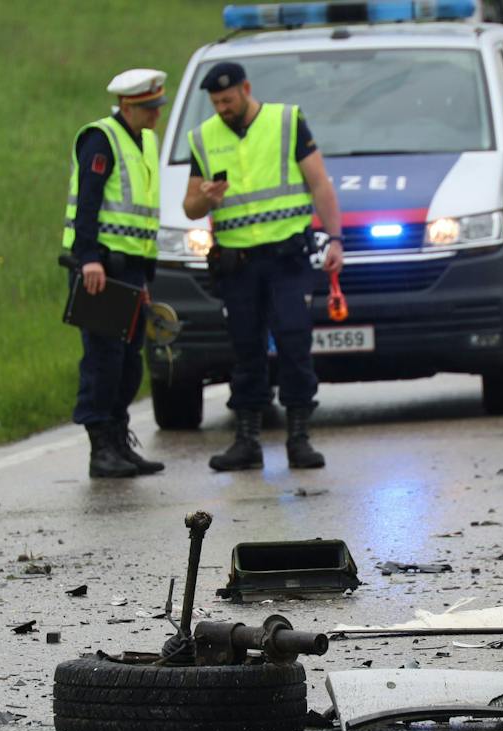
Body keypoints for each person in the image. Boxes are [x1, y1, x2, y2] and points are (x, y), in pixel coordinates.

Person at [183, 61, 344, 471]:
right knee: (246, 349)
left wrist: (336, 237)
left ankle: (299, 438)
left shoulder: (286, 121)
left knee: (293, 342)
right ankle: (247, 441)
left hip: (286, 258)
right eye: (216, 102)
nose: (222, 108)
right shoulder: (203, 138)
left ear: (246, 89)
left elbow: (319, 182)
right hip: (237, 265)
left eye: (228, 99)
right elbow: (190, 206)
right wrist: (206, 197)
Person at [61, 69, 168, 479]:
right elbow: (87, 203)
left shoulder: (146, 141)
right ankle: (100, 448)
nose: (155, 114)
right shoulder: (100, 139)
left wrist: (145, 273)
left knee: (127, 362)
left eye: (157, 106)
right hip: (100, 270)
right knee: (102, 361)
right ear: (126, 105)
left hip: (132, 271)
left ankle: (120, 441)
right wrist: (87, 257)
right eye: (148, 107)